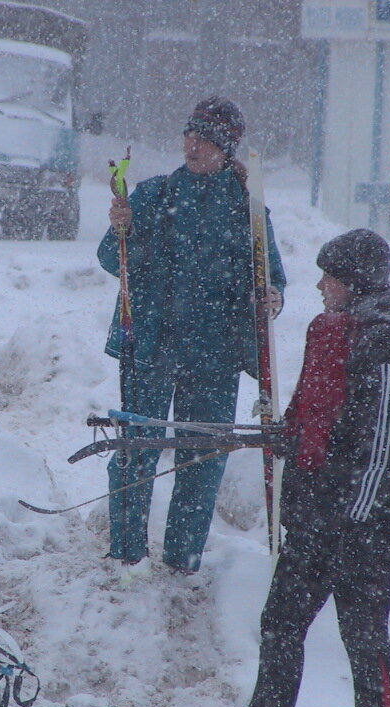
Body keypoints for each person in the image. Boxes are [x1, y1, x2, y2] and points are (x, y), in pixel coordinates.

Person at [224, 229, 390, 707]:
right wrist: (290, 435)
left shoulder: (385, 344)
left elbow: (383, 450)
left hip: (366, 526)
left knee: (364, 643)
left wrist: (355, 523)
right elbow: (312, 408)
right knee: (280, 624)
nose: (319, 284)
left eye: (329, 275)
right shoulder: (328, 329)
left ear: (354, 281)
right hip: (316, 517)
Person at [98, 96, 286, 574]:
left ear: (225, 149)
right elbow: (109, 258)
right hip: (151, 345)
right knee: (135, 450)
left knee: (202, 461)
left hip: (216, 356)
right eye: (189, 134)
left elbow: (272, 279)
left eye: (203, 138)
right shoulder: (153, 195)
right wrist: (122, 231)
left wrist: (271, 298)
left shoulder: (248, 213)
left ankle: (183, 559)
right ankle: (126, 555)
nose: (192, 144)